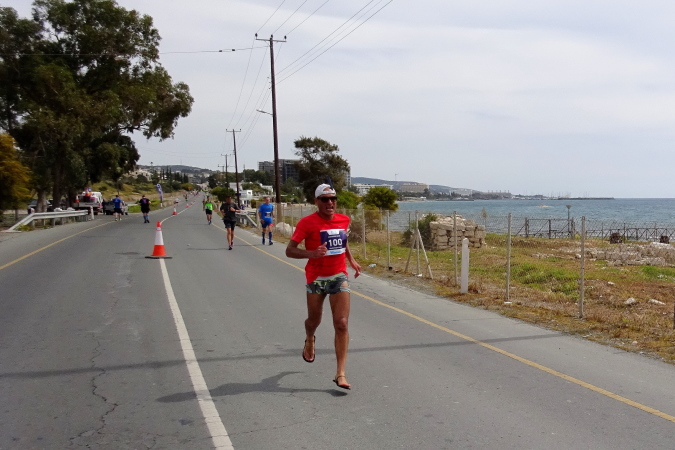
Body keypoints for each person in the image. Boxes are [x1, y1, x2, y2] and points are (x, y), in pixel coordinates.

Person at [285, 184, 361, 390]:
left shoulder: (344, 219)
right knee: (314, 320)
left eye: (333, 198)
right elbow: (289, 251)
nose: (330, 202)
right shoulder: (307, 223)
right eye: (325, 199)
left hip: (338, 275)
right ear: (316, 201)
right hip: (316, 278)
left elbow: (343, 241)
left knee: (342, 323)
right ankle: (310, 338)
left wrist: (351, 260)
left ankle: (340, 373)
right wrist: (312, 253)